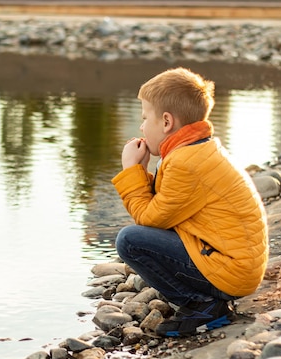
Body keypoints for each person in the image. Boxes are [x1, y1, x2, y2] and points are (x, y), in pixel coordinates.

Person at [112, 67, 268, 337]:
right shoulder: (196, 149)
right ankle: (205, 299)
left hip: (231, 272)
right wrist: (144, 172)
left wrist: (131, 171)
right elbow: (167, 208)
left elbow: (149, 219)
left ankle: (203, 305)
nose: (141, 126)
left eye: (145, 117)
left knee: (129, 240)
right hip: (234, 263)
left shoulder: (185, 162)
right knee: (141, 235)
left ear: (166, 122)